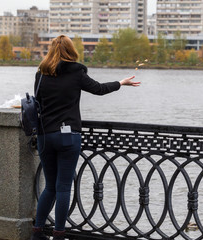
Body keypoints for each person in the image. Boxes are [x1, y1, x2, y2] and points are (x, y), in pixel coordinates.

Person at [31, 34, 140, 240]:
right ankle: (59, 234)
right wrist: (120, 82)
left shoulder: (41, 73)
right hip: (68, 136)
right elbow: (98, 89)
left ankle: (36, 232)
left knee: (50, 187)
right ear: (70, 51)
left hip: (45, 136)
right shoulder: (76, 72)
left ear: (52, 51)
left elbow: (37, 102)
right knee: (63, 188)